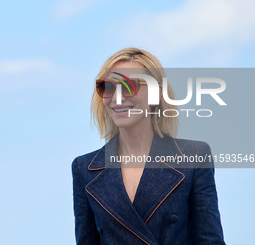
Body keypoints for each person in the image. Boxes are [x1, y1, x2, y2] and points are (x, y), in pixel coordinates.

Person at [71, 47, 226, 245]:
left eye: (129, 86)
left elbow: (210, 240)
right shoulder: (85, 169)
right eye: (108, 87)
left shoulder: (194, 156)